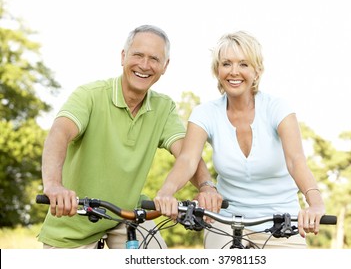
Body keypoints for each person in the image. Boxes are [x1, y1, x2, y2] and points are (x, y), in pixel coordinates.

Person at [37, 24, 221, 249]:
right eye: (138, 55)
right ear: (123, 56)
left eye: (154, 58)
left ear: (165, 66)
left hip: (128, 216)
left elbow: (187, 153)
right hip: (74, 219)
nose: (144, 65)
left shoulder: (163, 107)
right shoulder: (90, 95)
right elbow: (59, 133)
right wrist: (54, 185)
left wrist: (206, 186)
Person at [154, 30, 326, 249]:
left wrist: (316, 204)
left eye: (243, 64)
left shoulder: (278, 109)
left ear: (257, 71)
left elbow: (296, 161)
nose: (234, 72)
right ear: (217, 70)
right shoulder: (205, 113)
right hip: (227, 222)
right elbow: (187, 160)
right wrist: (166, 193)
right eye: (226, 64)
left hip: (280, 222)